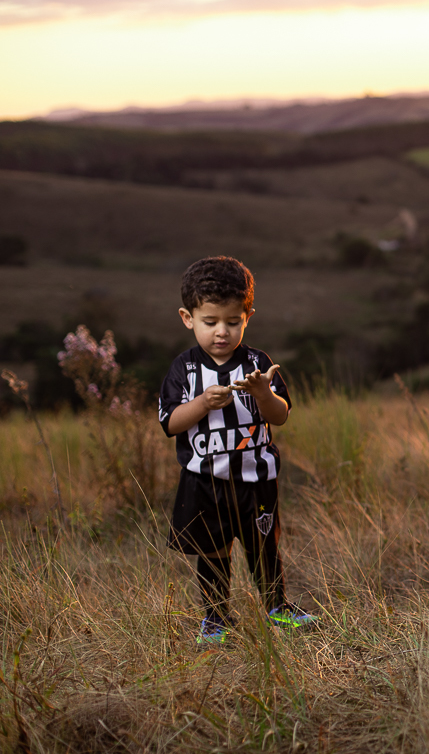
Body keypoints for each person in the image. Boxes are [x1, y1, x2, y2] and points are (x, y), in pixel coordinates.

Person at [158, 256, 316, 644]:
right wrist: (201, 405)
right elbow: (170, 423)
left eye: (233, 321)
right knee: (212, 553)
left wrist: (262, 391)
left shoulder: (258, 363)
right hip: (204, 482)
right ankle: (215, 618)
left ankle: (276, 607)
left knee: (264, 547)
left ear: (248, 316)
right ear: (187, 318)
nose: (222, 332)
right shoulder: (185, 370)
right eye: (210, 322)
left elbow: (279, 417)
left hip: (256, 479)